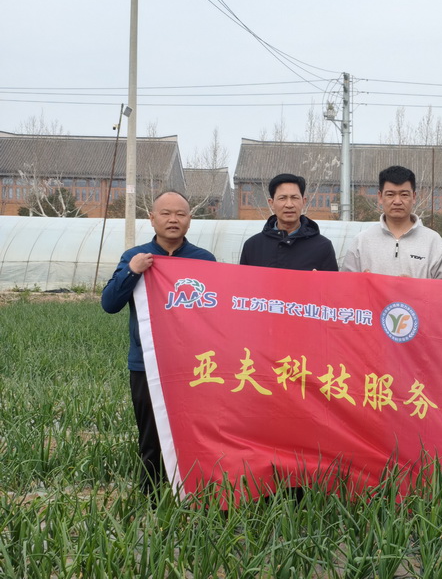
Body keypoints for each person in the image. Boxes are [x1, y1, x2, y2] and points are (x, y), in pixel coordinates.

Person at [101, 191, 216, 494]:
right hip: (147, 363)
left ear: (190, 219)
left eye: (180, 214)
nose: (173, 219)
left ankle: (197, 495)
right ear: (152, 218)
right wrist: (132, 272)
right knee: (151, 437)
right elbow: (109, 304)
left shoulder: (204, 260)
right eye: (166, 213)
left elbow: (216, 313)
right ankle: (152, 501)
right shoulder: (135, 257)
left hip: (194, 365)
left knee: (196, 434)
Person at [341, 165, 442, 279]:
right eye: (390, 195)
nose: (397, 201)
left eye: (404, 195)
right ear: (380, 197)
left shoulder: (434, 243)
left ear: (414, 197)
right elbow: (345, 286)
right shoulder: (361, 242)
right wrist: (361, 283)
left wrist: (416, 288)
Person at [240, 173, 338, 271]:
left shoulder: (322, 246)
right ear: (271, 203)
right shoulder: (252, 246)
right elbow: (243, 280)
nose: (289, 205)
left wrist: (318, 280)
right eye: (282, 198)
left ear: (303, 201)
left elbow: (332, 281)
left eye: (294, 198)